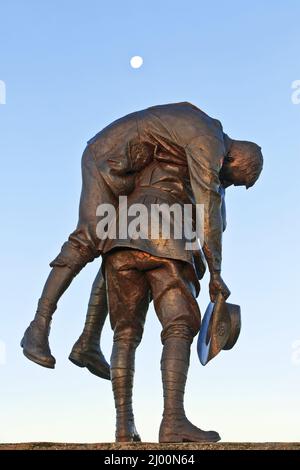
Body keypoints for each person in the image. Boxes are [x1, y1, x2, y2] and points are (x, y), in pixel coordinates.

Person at [21, 102, 263, 442]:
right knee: (90, 242)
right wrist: (216, 273)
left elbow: (215, 208)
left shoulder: (179, 149)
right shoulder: (207, 141)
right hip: (110, 166)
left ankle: (122, 422)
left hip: (124, 230)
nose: (229, 185)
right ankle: (40, 327)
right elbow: (210, 206)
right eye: (236, 180)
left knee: (124, 331)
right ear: (235, 160)